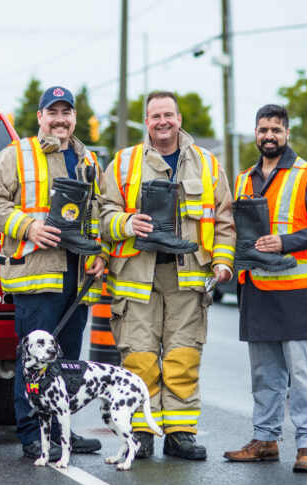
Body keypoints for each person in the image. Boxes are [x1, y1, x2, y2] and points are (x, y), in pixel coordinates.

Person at [99, 91, 236, 460]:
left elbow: (224, 219)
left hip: (187, 279)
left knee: (183, 357)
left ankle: (179, 434)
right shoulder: (124, 163)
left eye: (168, 115)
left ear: (179, 119)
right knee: (139, 359)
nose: (162, 122)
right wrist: (127, 223)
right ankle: (142, 433)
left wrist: (223, 262)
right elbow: (102, 214)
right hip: (136, 277)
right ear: (146, 122)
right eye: (155, 116)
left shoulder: (207, 163)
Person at [0, 86, 107, 461]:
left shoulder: (88, 160)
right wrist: (27, 226)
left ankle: (62, 431)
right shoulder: (17, 155)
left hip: (77, 276)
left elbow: (99, 212)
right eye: (53, 112)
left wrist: (101, 253)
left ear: (74, 118)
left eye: (66, 112)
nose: (60, 119)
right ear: (40, 117)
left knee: (67, 361)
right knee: (35, 360)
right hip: (37, 277)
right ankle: (32, 434)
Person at [223, 104, 307, 473]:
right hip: (257, 290)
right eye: (263, 129)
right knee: (264, 375)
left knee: (302, 375)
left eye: (276, 129)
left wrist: (285, 242)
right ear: (256, 134)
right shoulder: (243, 180)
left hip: (298, 291)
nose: (269, 136)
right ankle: (265, 440)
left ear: (287, 133)